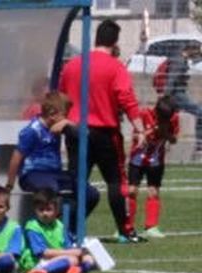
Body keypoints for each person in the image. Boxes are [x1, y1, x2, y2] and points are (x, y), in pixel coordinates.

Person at [58, 19, 145, 242]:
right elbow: (126, 98)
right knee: (116, 182)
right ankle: (125, 230)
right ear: (115, 42)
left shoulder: (72, 65)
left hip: (76, 130)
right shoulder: (115, 66)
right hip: (105, 132)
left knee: (78, 182)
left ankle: (66, 229)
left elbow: (61, 96)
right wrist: (140, 129)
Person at [5, 90, 100, 239]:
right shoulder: (32, 131)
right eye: (65, 115)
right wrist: (9, 186)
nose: (66, 119)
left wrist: (68, 122)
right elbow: (16, 158)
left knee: (90, 194)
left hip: (55, 174)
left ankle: (70, 230)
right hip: (33, 173)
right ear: (52, 114)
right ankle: (50, 234)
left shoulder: (59, 127)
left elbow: (85, 133)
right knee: (52, 190)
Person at [126, 94, 180, 238]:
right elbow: (137, 136)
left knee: (153, 191)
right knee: (131, 191)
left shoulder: (173, 118)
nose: (165, 120)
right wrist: (153, 129)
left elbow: (174, 140)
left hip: (156, 160)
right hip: (137, 159)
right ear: (156, 111)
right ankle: (126, 225)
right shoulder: (144, 114)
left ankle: (151, 226)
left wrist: (166, 133)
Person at [23, 190, 97, 273]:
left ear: (56, 210)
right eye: (41, 210)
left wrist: (80, 250)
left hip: (57, 257)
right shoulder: (32, 227)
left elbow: (67, 246)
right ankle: (42, 270)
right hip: (38, 261)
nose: (45, 213)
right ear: (35, 210)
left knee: (88, 257)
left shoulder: (60, 225)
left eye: (48, 209)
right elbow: (43, 253)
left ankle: (80, 269)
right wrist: (73, 253)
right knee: (72, 259)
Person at [152, 42, 200, 159]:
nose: (198, 53)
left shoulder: (178, 57)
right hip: (176, 96)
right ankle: (200, 146)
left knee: (165, 123)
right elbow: (171, 79)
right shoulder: (179, 61)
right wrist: (164, 97)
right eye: (197, 51)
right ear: (191, 50)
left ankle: (158, 147)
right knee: (200, 112)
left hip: (176, 94)